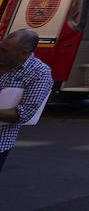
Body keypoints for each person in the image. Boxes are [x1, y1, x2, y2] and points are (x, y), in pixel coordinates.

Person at [0, 29, 53, 175]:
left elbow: (25, 113)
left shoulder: (39, 73)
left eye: (4, 51)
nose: (0, 52)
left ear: (24, 52)